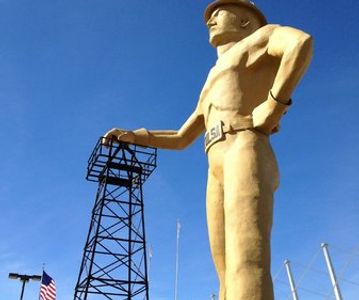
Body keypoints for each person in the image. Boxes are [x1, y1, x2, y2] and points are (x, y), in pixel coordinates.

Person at [104, 1, 313, 299]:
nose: (210, 21)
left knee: (247, 262)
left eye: (219, 14)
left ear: (244, 21)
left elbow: (300, 43)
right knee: (225, 275)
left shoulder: (261, 37)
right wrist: (136, 137)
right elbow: (181, 136)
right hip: (214, 161)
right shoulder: (212, 77)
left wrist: (275, 104)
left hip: (244, 146)